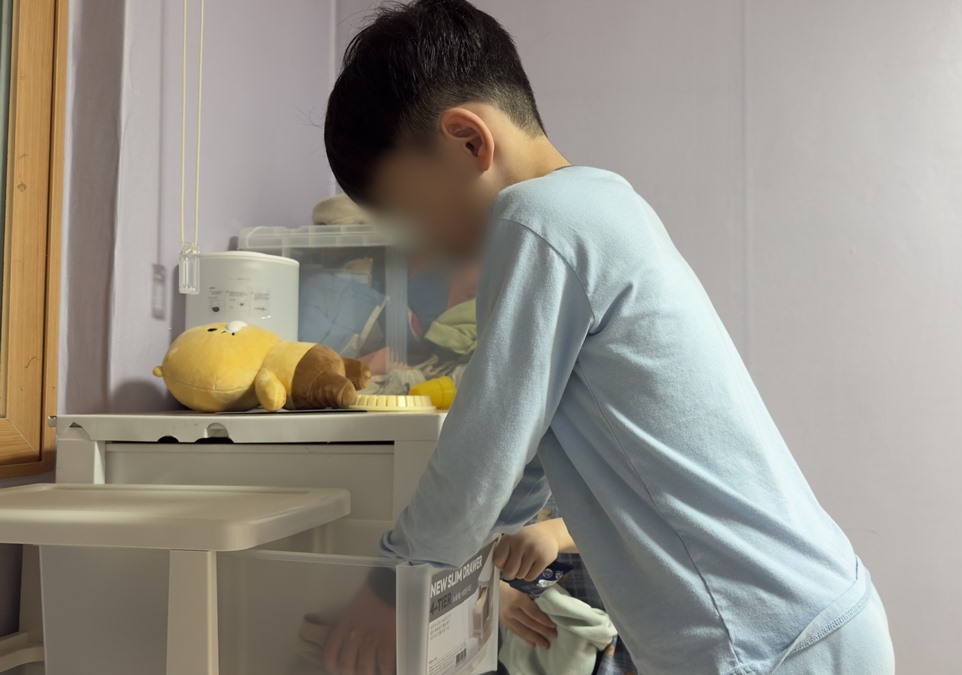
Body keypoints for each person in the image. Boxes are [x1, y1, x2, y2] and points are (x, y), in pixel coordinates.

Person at [320, 1, 895, 674]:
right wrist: (487, 557)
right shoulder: (601, 203)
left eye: (415, 216)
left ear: (469, 141)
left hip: (761, 641)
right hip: (809, 615)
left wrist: (394, 581)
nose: (427, 251)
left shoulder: (536, 219)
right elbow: (525, 451)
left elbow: (483, 450)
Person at [495, 500, 639, 674]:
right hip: (527, 639)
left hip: (626, 642)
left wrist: (557, 533)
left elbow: (647, 528)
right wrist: (495, 588)